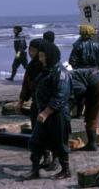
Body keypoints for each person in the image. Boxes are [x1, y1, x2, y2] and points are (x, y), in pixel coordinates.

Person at [23, 41, 72, 180]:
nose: (40, 59)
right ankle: (35, 170)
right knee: (35, 141)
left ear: (50, 56)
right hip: (43, 112)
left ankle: (66, 170)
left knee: (60, 143)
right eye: (40, 56)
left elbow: (60, 96)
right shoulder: (45, 71)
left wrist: (46, 112)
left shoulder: (61, 73)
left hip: (57, 114)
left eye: (43, 56)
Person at [69, 25, 99, 117]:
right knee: (94, 93)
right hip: (95, 70)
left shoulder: (77, 45)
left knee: (79, 93)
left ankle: (79, 112)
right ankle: (94, 112)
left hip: (80, 71)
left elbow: (72, 60)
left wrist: (77, 69)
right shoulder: (98, 45)